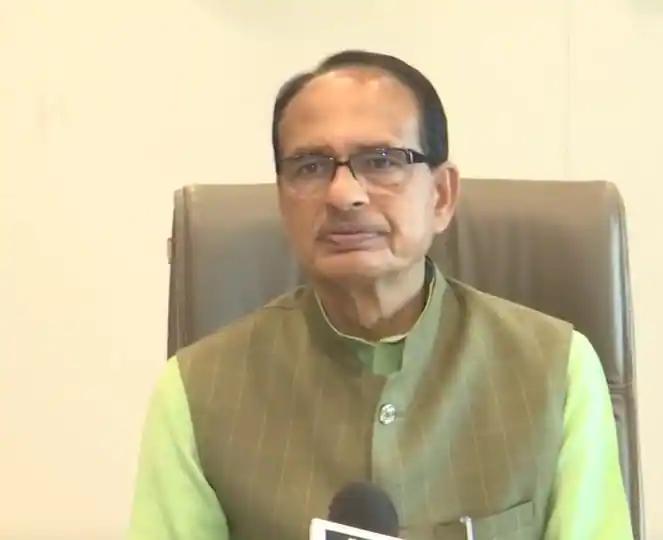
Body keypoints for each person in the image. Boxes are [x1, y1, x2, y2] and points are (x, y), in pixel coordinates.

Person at [126, 50, 634, 540]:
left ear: (441, 196)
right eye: (310, 167)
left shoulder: (558, 371)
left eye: (382, 160)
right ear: (282, 200)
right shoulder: (195, 393)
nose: (344, 194)